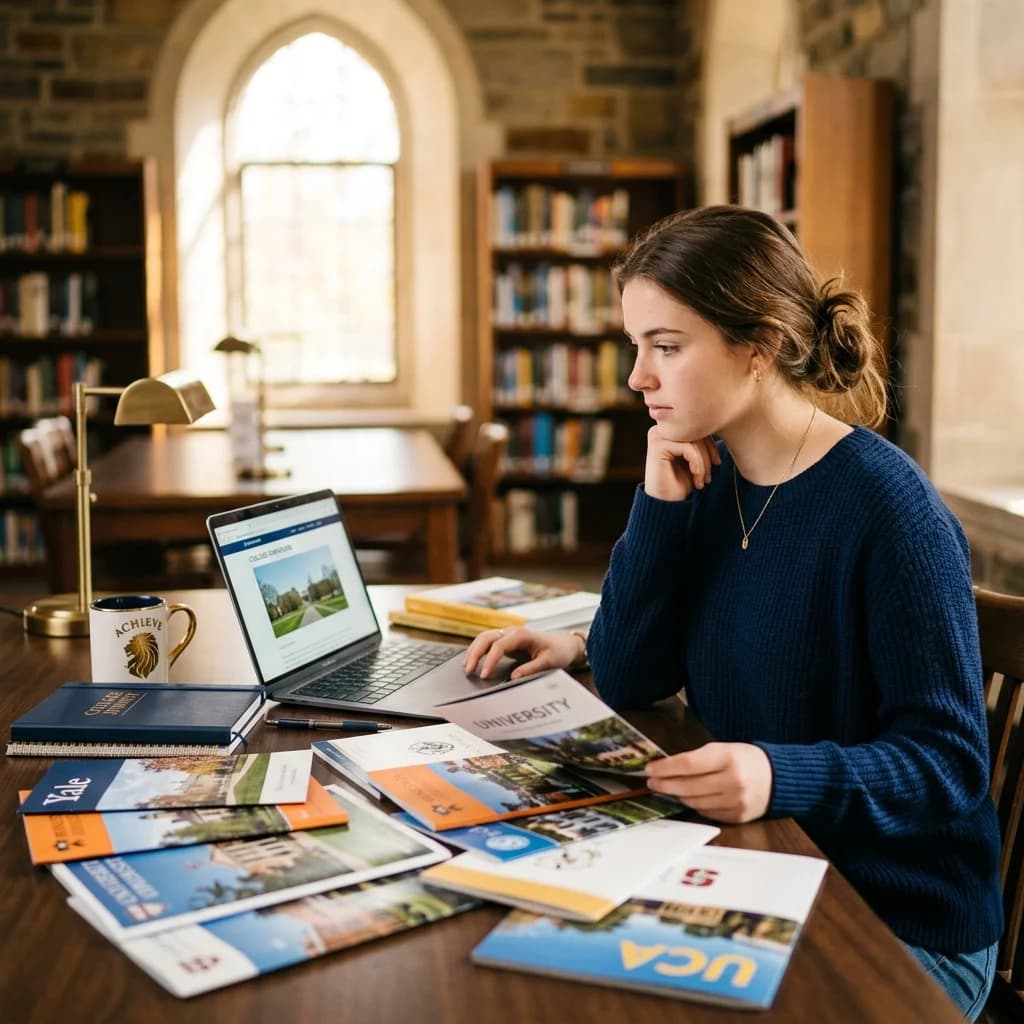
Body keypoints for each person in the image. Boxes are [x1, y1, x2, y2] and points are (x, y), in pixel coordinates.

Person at [463, 206, 1003, 1020]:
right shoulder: (708, 479)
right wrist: (656, 509)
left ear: (761, 345)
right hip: (763, 863)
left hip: (895, 919)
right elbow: (633, 675)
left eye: (666, 348)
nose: (637, 378)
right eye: (635, 347)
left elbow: (950, 763)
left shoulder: (893, 514)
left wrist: (781, 772)